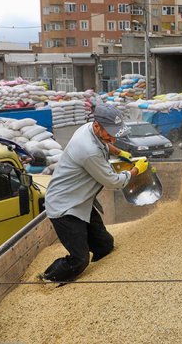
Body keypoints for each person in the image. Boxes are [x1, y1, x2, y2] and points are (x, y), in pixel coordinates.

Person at [39, 104, 149, 283]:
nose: (113, 137)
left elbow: (105, 145)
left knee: (105, 246)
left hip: (81, 201)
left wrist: (120, 152)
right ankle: (46, 279)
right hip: (64, 207)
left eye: (116, 132)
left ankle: (101, 275)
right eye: (110, 133)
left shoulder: (89, 129)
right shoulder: (88, 151)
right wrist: (136, 170)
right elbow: (113, 182)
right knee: (80, 260)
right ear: (97, 125)